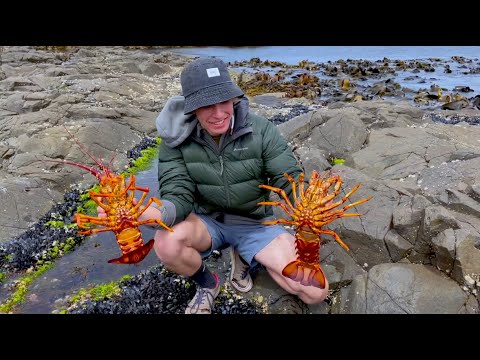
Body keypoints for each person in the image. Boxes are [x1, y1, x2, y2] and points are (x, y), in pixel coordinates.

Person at [100, 57, 329, 314]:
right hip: (208, 222)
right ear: (192, 107)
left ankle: (244, 254)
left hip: (255, 223)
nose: (219, 113)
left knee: (314, 291)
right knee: (166, 243)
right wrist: (147, 214)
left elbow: (287, 177)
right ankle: (209, 284)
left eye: (224, 101)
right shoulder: (176, 140)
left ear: (234, 98)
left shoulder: (261, 130)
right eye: (207, 105)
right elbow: (178, 195)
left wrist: (307, 206)